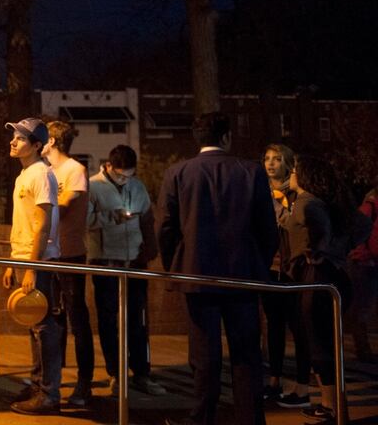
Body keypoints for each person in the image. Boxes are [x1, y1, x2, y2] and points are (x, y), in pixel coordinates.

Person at [156, 112, 278, 425]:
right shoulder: (250, 171)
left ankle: (202, 417)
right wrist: (258, 264)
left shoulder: (178, 173)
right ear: (226, 137)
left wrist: (175, 266)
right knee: (246, 351)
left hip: (196, 272)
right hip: (243, 274)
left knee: (203, 352)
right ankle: (250, 417)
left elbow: (165, 228)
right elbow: (267, 228)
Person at [284, 154, 365, 424]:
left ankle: (332, 408)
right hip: (334, 275)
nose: (291, 173)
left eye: (295, 169)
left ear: (306, 175)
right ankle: (332, 406)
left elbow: (319, 227)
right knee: (326, 342)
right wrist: (340, 250)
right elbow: (362, 225)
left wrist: (318, 249)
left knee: (318, 343)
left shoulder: (307, 201)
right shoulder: (329, 202)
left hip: (317, 275)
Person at [86, 145, 167, 396]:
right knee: (109, 321)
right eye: (121, 175)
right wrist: (112, 217)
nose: (125, 180)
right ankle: (116, 374)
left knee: (138, 321)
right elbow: (85, 221)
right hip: (106, 261)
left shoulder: (138, 187)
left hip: (134, 262)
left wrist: (149, 249)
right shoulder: (92, 186)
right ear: (108, 166)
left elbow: (146, 218)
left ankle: (142, 373)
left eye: (129, 175)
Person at [1, 117, 64, 415]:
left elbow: (42, 223)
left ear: (37, 145)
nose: (13, 141)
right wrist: (14, 263)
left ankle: (49, 393)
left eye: (21, 138)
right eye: (13, 136)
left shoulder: (41, 174)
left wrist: (32, 267)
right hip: (26, 259)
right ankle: (38, 384)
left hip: (40, 262)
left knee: (44, 326)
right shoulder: (24, 175)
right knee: (33, 323)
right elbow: (24, 224)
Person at [42, 120, 95, 406]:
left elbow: (60, 207)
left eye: (43, 137)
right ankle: (53, 378)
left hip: (70, 253)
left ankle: (84, 382)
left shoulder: (75, 170)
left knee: (77, 318)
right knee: (52, 318)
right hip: (50, 254)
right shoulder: (45, 171)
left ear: (52, 141)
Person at [259, 144, 312, 408]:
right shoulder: (261, 193)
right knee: (274, 325)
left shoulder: (296, 195)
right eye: (267, 159)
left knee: (299, 325)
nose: (270, 164)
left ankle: (303, 382)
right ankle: (274, 380)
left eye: (277, 159)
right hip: (270, 268)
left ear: (288, 164)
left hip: (294, 269)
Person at [345, 180, 378, 364]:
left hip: (371, 261)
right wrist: (363, 255)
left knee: (365, 308)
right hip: (365, 263)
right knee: (362, 308)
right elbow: (357, 234)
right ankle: (363, 349)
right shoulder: (369, 207)